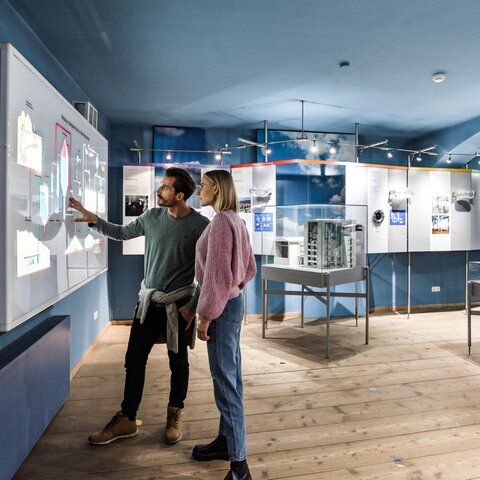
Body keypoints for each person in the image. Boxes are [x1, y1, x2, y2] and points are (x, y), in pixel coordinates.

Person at [68, 167, 209, 445]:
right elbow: (121, 233)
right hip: (148, 303)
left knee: (178, 364)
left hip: (179, 305)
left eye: (165, 188)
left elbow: (206, 272)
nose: (159, 191)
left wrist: (193, 306)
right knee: (134, 360)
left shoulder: (200, 226)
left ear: (180, 196)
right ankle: (127, 419)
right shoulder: (151, 216)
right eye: (160, 186)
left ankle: (174, 415)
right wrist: (94, 220)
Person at [192, 170, 256, 480]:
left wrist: (206, 315)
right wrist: (234, 290)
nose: (198, 190)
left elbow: (216, 277)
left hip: (220, 308)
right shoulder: (237, 221)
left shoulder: (220, 223)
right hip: (232, 305)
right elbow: (249, 269)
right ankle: (225, 442)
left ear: (216, 189)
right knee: (232, 377)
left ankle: (240, 467)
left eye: (202, 186)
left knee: (226, 384)